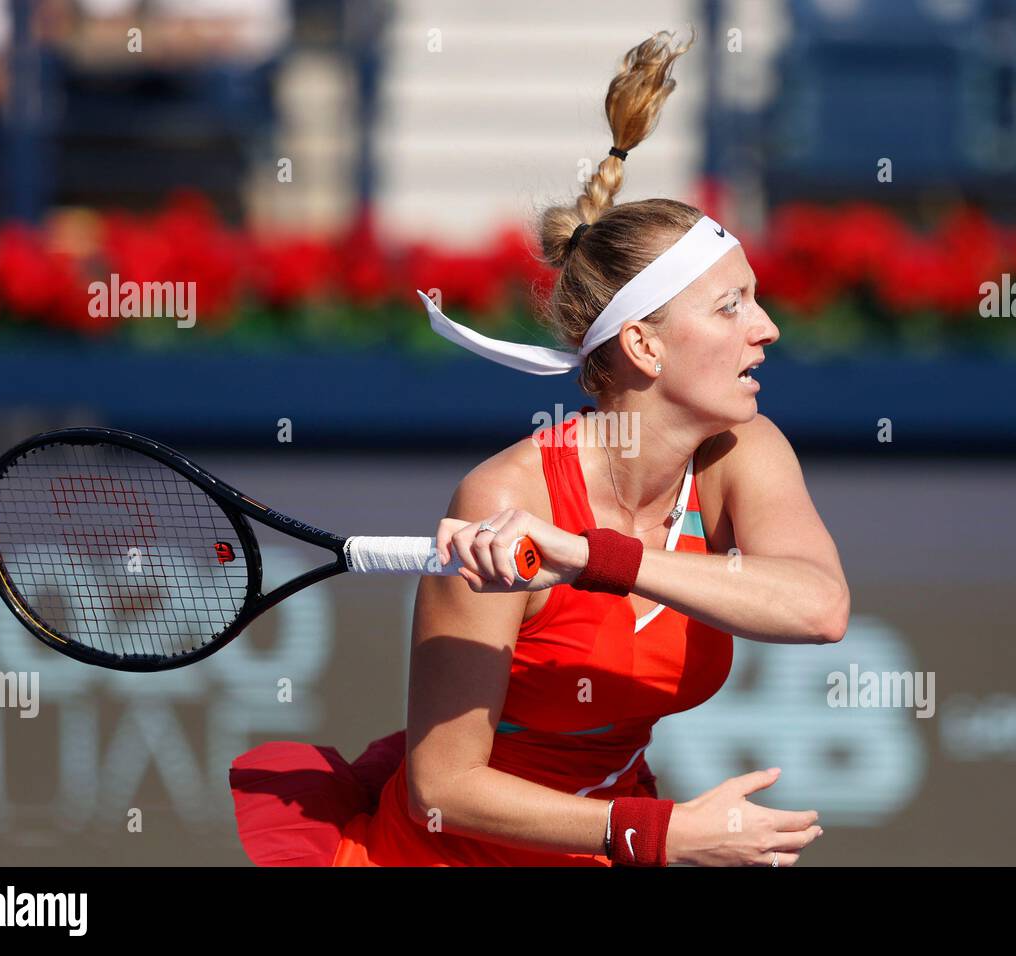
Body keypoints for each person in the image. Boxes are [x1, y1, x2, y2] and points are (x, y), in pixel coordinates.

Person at [230, 28, 849, 867]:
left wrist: (593, 556)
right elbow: (444, 788)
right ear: (645, 347)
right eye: (732, 307)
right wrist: (651, 832)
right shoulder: (501, 498)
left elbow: (819, 608)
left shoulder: (743, 448)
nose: (767, 329)